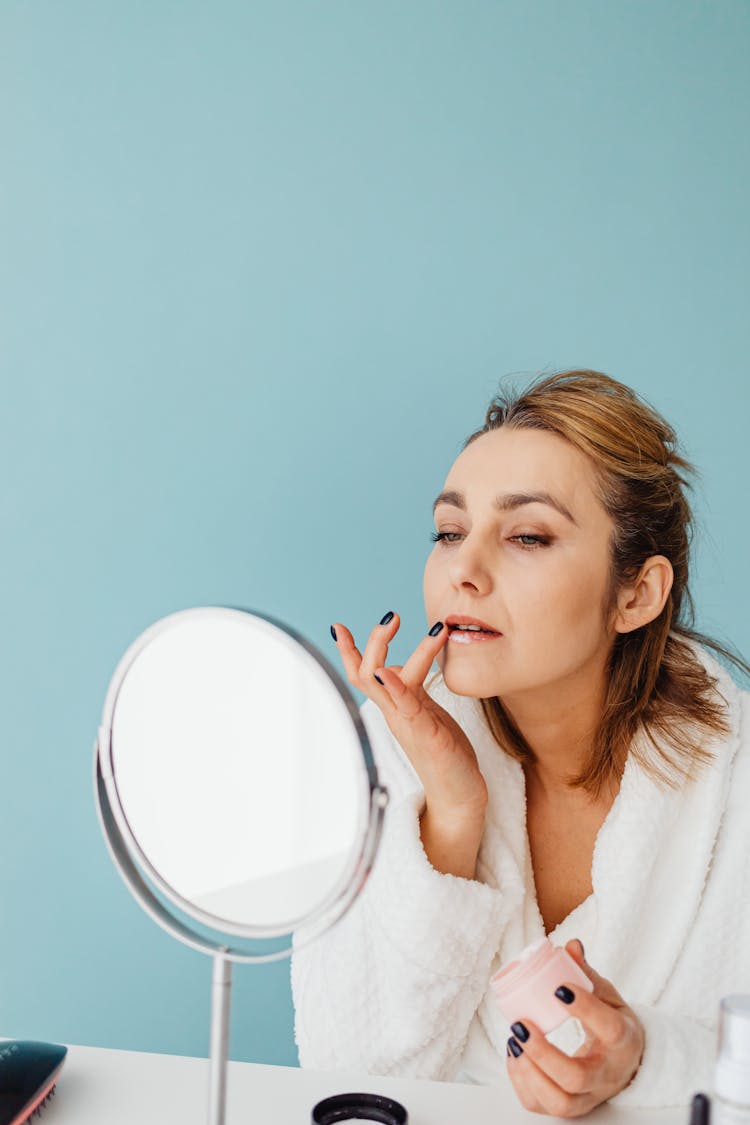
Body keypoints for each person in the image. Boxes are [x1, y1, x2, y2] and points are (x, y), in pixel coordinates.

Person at [291, 369, 750, 1117]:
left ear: (637, 594)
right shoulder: (390, 757)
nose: (462, 572)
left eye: (528, 536)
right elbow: (351, 1074)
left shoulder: (738, 789)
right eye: (448, 531)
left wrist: (647, 1061)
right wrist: (451, 814)